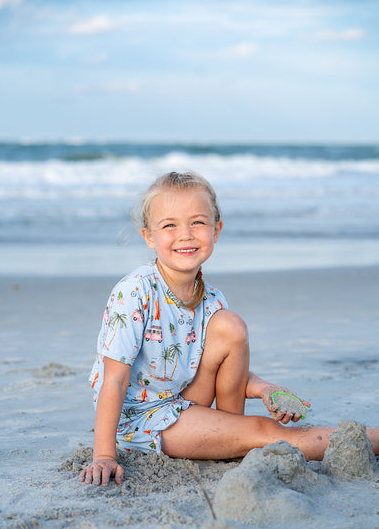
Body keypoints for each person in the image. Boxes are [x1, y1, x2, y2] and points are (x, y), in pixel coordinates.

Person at [79, 171, 379, 487]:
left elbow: (214, 365)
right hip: (142, 421)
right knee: (265, 433)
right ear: (149, 236)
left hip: (181, 399)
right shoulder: (135, 292)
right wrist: (104, 455)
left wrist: (264, 389)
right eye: (170, 225)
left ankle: (233, 431)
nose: (185, 234)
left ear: (216, 230)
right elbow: (114, 379)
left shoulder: (211, 299)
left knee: (230, 326)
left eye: (197, 222)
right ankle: (370, 438)